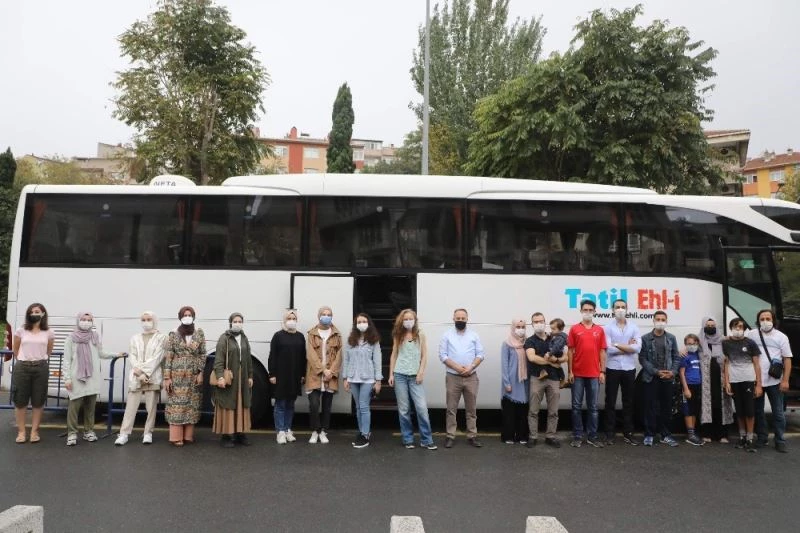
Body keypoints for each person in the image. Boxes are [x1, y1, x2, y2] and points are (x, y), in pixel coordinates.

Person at [63, 312, 119, 446]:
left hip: (92, 376)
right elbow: (67, 359)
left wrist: (117, 354)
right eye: (83, 319)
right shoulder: (71, 338)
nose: (86, 322)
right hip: (76, 376)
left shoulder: (94, 336)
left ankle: (89, 431)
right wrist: (67, 378)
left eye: (89, 320)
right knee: (74, 407)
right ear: (78, 320)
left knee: (91, 406)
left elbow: (101, 353)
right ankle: (72, 433)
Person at [115, 311, 166, 446]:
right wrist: (139, 373)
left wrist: (144, 373)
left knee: (151, 407)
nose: (146, 322)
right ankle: (124, 433)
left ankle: (148, 432)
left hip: (152, 377)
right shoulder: (135, 338)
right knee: (131, 406)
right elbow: (133, 356)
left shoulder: (161, 338)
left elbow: (157, 357)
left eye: (149, 319)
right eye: (143, 319)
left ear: (154, 320)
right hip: (137, 377)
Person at [388, 309, 436, 450]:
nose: (408, 321)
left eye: (410, 318)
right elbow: (394, 355)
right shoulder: (398, 335)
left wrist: (421, 371)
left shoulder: (420, 334)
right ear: (401, 321)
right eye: (405, 319)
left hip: (415, 376)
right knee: (404, 409)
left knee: (421, 408)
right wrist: (391, 374)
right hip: (400, 374)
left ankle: (426, 440)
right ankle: (407, 438)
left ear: (415, 320)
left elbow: (424, 355)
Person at [439, 308, 485, 448]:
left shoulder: (474, 335)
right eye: (457, 318)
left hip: (471, 376)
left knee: (471, 409)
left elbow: (481, 354)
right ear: (453, 319)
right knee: (451, 409)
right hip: (453, 377)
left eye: (462, 318)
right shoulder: (446, 335)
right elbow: (443, 355)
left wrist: (470, 367)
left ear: (467, 319)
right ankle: (450, 436)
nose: (460, 320)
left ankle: (472, 436)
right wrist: (458, 368)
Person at [747, 309, 792, 453]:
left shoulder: (781, 337)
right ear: (758, 321)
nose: (765, 321)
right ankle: (762, 438)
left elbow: (787, 359)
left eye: (768, 318)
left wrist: (785, 380)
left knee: (778, 412)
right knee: (758, 411)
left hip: (775, 381)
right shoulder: (752, 334)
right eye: (762, 319)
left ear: (773, 320)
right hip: (757, 380)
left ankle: (780, 440)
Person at [163, 306, 206, 447]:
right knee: (177, 406)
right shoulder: (173, 334)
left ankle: (188, 435)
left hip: (193, 375)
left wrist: (200, 372)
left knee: (191, 405)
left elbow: (202, 354)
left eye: (189, 314)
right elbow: (168, 357)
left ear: (193, 316)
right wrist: (167, 377)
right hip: (177, 376)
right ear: (180, 317)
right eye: (185, 315)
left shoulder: (199, 334)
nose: (187, 317)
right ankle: (176, 437)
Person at [11, 303, 54, 443]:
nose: (34, 313)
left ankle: (34, 432)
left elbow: (49, 350)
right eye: (32, 311)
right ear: (28, 314)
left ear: (43, 314)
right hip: (22, 367)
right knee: (20, 401)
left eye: (37, 311)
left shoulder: (48, 332)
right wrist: (24, 359)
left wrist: (40, 359)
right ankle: (22, 432)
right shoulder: (21, 330)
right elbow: (15, 349)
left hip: (41, 368)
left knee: (38, 401)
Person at [567, 300, 607, 448]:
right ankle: (577, 436)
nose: (588, 312)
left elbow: (602, 352)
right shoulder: (574, 329)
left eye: (590, 310)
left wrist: (602, 371)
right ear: (581, 311)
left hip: (594, 374)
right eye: (585, 309)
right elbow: (570, 351)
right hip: (577, 374)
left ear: (594, 311)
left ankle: (592, 436)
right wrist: (570, 371)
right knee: (576, 406)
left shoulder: (600, 330)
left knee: (593, 407)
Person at [602, 299, 642, 445]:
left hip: (629, 369)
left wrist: (616, 344)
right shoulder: (607, 327)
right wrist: (626, 346)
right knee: (610, 402)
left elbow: (637, 348)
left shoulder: (634, 327)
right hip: (612, 368)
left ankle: (628, 433)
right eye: (617, 307)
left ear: (627, 309)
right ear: (613, 310)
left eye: (623, 307)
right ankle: (609, 433)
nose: (620, 309)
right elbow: (608, 349)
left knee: (628, 402)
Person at [639, 311, 681, 447]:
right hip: (651, 378)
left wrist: (673, 372)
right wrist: (656, 372)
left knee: (666, 408)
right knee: (649, 407)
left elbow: (676, 357)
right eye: (658, 319)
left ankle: (665, 434)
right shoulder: (645, 338)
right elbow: (642, 359)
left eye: (663, 319)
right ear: (653, 320)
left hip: (668, 378)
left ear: (666, 321)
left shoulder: (671, 338)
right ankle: (649, 435)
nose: (660, 322)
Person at [213, 313, 254, 448]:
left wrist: (250, 376)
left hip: (242, 378)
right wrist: (220, 377)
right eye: (235, 321)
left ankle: (240, 433)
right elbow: (218, 360)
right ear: (230, 323)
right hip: (229, 378)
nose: (237, 323)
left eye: (240, 321)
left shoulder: (244, 338)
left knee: (242, 404)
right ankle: (226, 435)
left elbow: (248, 358)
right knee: (228, 404)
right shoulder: (224, 339)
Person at [342, 313, 383, 448]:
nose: (361, 323)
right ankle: (362, 431)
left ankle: (365, 435)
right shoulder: (350, 340)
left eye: (364, 321)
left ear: (369, 323)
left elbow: (377, 360)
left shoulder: (373, 340)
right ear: (355, 324)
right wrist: (345, 377)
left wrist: (378, 380)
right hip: (353, 377)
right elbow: (346, 360)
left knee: (364, 406)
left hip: (368, 378)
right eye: (359, 321)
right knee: (358, 407)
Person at [723, 317, 762, 452]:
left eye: (740, 327)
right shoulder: (726, 343)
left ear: (744, 329)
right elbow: (726, 363)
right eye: (735, 326)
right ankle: (742, 437)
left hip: (749, 380)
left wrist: (758, 385)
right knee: (739, 411)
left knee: (749, 411)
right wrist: (726, 382)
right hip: (734, 380)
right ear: (731, 328)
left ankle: (750, 439)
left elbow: (757, 365)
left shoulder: (751, 343)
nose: (737, 329)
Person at [305, 306, 343, 444]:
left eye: (329, 314)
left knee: (327, 406)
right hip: (315, 375)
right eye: (324, 314)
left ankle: (323, 431)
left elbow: (339, 355)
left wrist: (331, 372)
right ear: (318, 316)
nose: (326, 316)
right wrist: (322, 370)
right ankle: (315, 431)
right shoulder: (311, 334)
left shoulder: (337, 334)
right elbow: (311, 354)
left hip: (330, 377)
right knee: (314, 404)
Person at [525, 313, 563, 448]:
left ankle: (550, 436)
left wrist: (558, 360)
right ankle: (533, 436)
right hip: (537, 378)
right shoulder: (530, 341)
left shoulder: (555, 338)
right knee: (533, 410)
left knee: (553, 411)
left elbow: (565, 356)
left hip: (553, 379)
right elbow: (532, 358)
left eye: (541, 321)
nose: (539, 323)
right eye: (536, 322)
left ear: (545, 322)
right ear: (532, 324)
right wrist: (553, 363)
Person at [269, 310, 307, 445]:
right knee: (280, 404)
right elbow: (272, 356)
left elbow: (303, 358)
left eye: (294, 318)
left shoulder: (300, 337)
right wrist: (272, 374)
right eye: (289, 318)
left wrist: (303, 374)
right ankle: (279, 431)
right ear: (284, 321)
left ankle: (287, 429)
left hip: (295, 376)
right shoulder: (278, 336)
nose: (291, 320)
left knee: (291, 404)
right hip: (280, 375)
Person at [697, 316, 734, 443]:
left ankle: (722, 434)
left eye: (713, 325)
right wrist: (684, 349)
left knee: (721, 405)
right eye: (708, 325)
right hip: (706, 380)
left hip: (721, 378)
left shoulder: (722, 340)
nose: (711, 327)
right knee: (707, 406)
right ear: (704, 326)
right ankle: (707, 433)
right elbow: (689, 344)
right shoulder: (699, 341)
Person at [500, 318, 529, 445]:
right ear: (513, 327)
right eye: (518, 326)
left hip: (524, 382)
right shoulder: (507, 343)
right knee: (509, 412)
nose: (520, 329)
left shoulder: (528, 342)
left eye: (523, 326)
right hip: (511, 382)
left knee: (523, 411)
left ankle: (522, 435)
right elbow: (504, 364)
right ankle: (508, 436)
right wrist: (507, 383)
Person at [679, 334, 704, 446]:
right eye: (688, 344)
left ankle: (693, 433)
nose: (691, 345)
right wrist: (686, 389)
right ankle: (690, 434)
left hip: (698, 385)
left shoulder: (699, 355)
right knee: (688, 410)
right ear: (685, 345)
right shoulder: (685, 356)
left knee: (694, 410)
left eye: (693, 343)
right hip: (688, 385)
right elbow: (682, 373)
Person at [548, 319, 568, 388]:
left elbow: (556, 347)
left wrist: (549, 354)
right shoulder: (555, 335)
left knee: (557, 366)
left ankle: (563, 379)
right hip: (554, 351)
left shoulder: (560, 338)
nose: (552, 330)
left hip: (557, 353)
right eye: (551, 328)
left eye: (553, 329)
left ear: (561, 329)